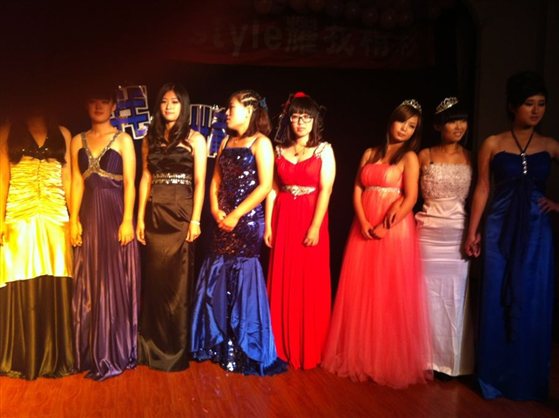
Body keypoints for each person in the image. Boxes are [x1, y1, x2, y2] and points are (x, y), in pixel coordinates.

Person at [322, 99, 432, 388]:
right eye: (402, 122)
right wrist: (363, 221)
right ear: (391, 120)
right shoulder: (370, 153)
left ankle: (384, 358)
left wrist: (385, 226)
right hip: (364, 225)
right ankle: (360, 354)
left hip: (393, 231)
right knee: (362, 289)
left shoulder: (410, 157)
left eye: (412, 127)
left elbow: (411, 197)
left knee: (386, 292)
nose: (405, 129)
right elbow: (357, 188)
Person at [464, 71, 559, 400]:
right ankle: (493, 377)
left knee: (533, 299)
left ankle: (526, 379)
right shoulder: (492, 143)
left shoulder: (551, 145)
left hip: (536, 232)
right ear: (512, 106)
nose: (536, 110)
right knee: (495, 296)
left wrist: (557, 205)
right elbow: (482, 188)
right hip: (499, 227)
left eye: (541, 104)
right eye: (529, 103)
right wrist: (472, 232)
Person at [191, 89, 285, 375]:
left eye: (231, 108)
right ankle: (218, 344)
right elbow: (215, 182)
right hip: (222, 220)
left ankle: (245, 347)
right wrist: (215, 210)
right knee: (217, 275)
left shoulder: (262, 143)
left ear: (249, 110)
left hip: (246, 222)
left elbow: (265, 186)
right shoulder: (225, 141)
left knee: (242, 278)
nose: (227, 113)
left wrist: (235, 215)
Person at [0, 101, 74, 379]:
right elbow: (2, 178)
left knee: (55, 280)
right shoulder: (8, 131)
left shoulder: (63, 133)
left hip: (56, 217)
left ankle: (56, 357)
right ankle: (22, 357)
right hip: (19, 215)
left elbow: (68, 179)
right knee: (22, 279)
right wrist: (0, 218)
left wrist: (75, 217)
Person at [70, 87, 140, 380]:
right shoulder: (77, 140)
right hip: (88, 216)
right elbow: (77, 182)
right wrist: (73, 219)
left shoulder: (123, 140)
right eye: (93, 100)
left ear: (113, 106)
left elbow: (131, 183)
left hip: (114, 216)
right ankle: (89, 351)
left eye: (104, 101)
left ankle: (113, 350)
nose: (98, 106)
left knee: (112, 282)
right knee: (89, 281)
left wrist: (128, 220)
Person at [137, 83, 207, 371]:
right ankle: (149, 347)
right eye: (164, 101)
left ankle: (174, 351)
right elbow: (145, 177)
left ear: (184, 106)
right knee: (155, 281)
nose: (168, 107)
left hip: (181, 213)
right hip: (155, 213)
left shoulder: (196, 139)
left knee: (177, 283)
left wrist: (196, 219)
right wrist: (139, 217)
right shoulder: (149, 137)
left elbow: (200, 182)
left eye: (175, 102)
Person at [265, 92, 335, 369]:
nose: (301, 122)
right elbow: (272, 189)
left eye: (306, 117)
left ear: (314, 120)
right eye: (295, 116)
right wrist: (268, 224)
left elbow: (326, 190)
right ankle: (281, 344)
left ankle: (308, 346)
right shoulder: (278, 150)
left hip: (309, 216)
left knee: (309, 280)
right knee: (283, 276)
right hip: (283, 217)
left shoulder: (324, 150)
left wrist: (315, 226)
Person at [416, 97, 474, 378]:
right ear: (438, 125)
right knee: (425, 298)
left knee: (454, 299)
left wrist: (475, 232)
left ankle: (451, 363)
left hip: (458, 235)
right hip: (427, 233)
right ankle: (423, 359)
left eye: (462, 120)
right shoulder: (424, 155)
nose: (459, 126)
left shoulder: (471, 156)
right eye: (452, 121)